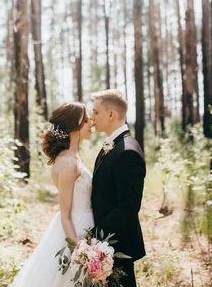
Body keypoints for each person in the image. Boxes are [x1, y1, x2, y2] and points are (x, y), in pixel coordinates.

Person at [10, 102, 94, 287]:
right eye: (86, 120)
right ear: (73, 125)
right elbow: (65, 214)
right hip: (76, 228)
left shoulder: (72, 158)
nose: (91, 124)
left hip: (85, 224)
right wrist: (77, 247)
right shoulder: (68, 163)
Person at [90, 89, 146, 287]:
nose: (91, 117)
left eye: (96, 112)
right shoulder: (112, 145)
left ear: (111, 114)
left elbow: (127, 208)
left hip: (117, 245)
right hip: (106, 246)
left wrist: (96, 236)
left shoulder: (127, 151)